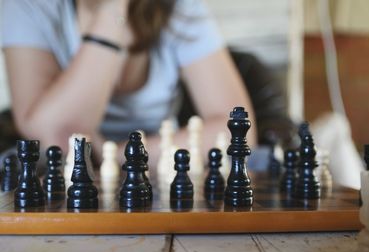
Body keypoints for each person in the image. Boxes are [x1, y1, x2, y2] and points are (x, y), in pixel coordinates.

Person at [0, 0, 256, 166]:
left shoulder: (181, 8)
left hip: (154, 165)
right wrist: (111, 16)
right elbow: (51, 133)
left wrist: (119, 155)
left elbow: (240, 133)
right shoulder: (25, 6)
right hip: (63, 168)